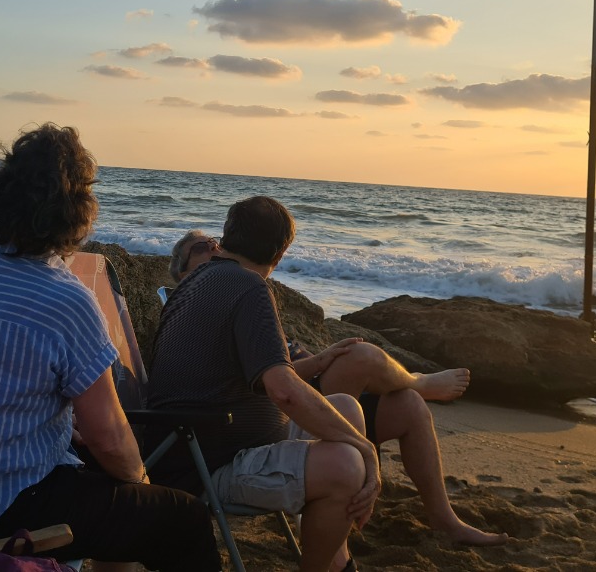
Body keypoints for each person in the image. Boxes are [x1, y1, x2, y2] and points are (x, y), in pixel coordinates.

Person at [0, 123, 220, 570]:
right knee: (183, 519)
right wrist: (141, 482)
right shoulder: (63, 298)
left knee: (97, 477)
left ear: (0, 191)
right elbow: (111, 437)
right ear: (79, 209)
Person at [170, 229, 508, 548]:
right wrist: (320, 362)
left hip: (310, 388)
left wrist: (319, 358)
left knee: (409, 407)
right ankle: (421, 382)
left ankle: (444, 518)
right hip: (291, 400)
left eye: (215, 241)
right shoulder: (196, 310)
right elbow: (272, 383)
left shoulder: (241, 291)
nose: (214, 248)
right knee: (359, 357)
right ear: (183, 276)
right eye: (200, 248)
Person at [147, 198, 381, 572]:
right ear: (281, 252)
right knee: (347, 465)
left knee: (347, 409)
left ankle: (336, 558)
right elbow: (282, 388)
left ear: (227, 237)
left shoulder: (196, 282)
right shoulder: (249, 287)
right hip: (207, 468)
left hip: (189, 445)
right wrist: (367, 450)